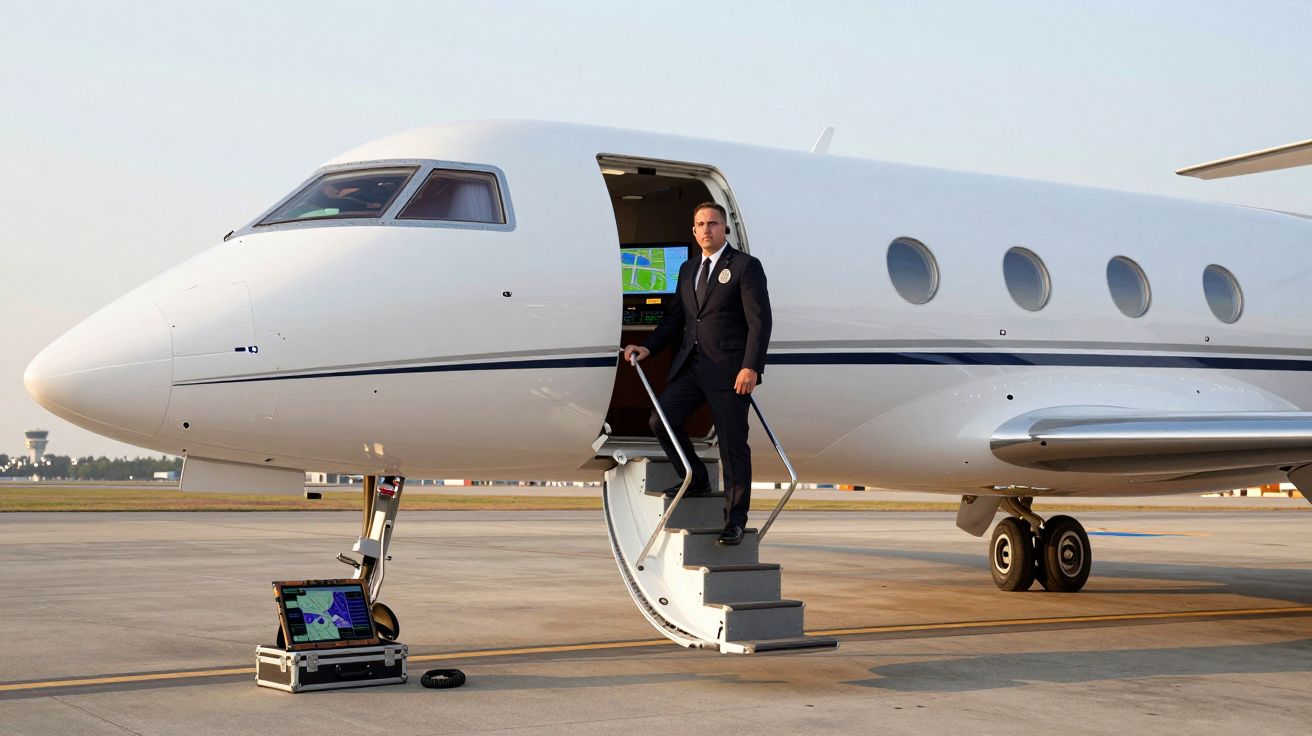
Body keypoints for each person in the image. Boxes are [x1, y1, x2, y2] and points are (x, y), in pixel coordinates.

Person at [622, 202, 772, 546]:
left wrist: (752, 366)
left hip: (731, 371)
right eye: (700, 224)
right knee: (661, 421)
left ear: (725, 229)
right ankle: (697, 477)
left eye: (713, 224)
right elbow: (677, 319)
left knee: (734, 448)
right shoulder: (689, 269)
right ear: (693, 231)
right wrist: (648, 346)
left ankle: (734, 520)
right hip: (691, 366)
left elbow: (759, 322)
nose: (706, 230)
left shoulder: (746, 267)